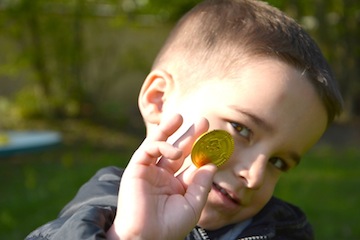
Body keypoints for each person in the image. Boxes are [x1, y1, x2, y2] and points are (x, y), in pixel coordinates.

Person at [26, 0, 343, 239]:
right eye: (241, 128)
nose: (256, 176)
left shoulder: (285, 230)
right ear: (158, 101)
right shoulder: (97, 213)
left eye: (278, 162)